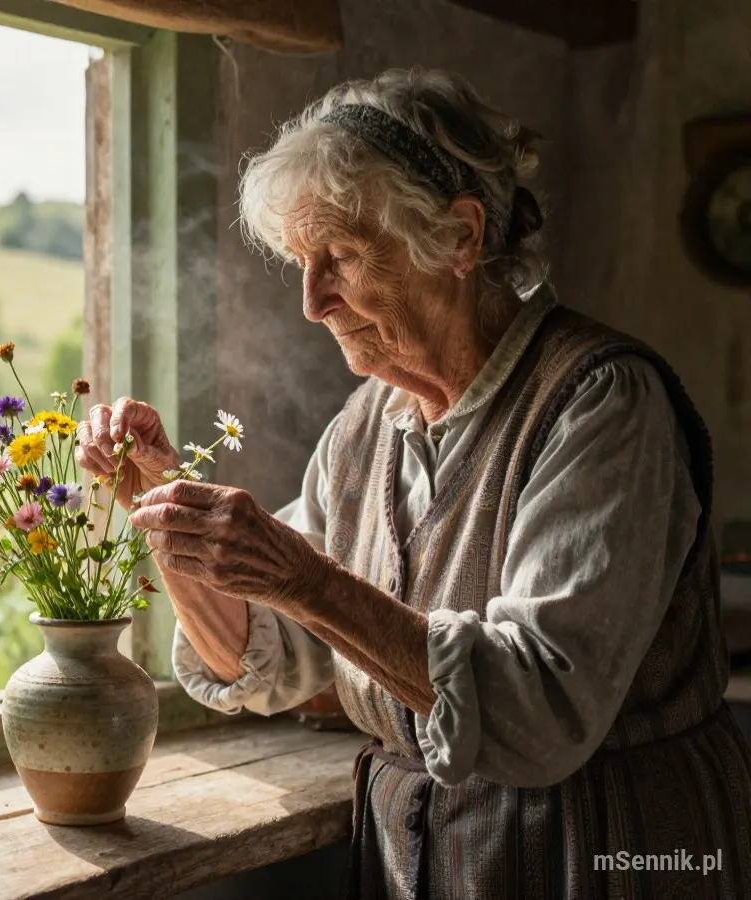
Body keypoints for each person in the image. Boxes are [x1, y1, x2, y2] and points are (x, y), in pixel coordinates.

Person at [74, 67, 751, 899]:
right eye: (299, 261)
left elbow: (537, 711)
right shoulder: (368, 424)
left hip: (614, 857)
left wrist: (305, 578)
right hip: (428, 859)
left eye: (342, 258)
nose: (312, 302)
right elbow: (267, 658)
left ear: (461, 238)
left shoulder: (602, 404)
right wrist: (165, 507)